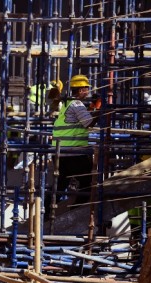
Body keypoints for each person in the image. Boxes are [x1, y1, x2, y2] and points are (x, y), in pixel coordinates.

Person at [52, 74, 99, 204]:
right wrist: (101, 110)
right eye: (86, 88)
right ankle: (77, 209)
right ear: (80, 90)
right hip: (73, 152)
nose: (88, 91)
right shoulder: (77, 104)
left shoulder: (67, 103)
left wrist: (93, 108)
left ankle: (46, 211)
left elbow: (79, 117)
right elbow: (88, 123)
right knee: (87, 183)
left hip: (60, 151)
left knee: (60, 184)